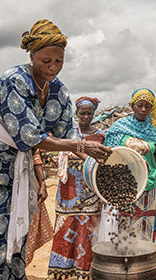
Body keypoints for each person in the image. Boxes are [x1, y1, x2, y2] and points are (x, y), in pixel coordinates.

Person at [0, 19, 111, 280]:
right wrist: (80, 146)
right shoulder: (14, 80)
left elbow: (68, 133)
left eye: (58, 61)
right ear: (32, 56)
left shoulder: (58, 89)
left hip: (14, 168)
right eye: (46, 60)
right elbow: (31, 137)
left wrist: (98, 162)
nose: (53, 67)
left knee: (13, 230)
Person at [48, 96, 104, 280]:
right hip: (68, 191)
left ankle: (84, 271)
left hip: (91, 190)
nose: (86, 116)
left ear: (94, 114)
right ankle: (62, 271)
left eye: (89, 113)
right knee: (66, 226)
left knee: (88, 230)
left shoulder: (101, 136)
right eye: (82, 113)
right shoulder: (68, 132)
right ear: (77, 113)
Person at [101, 88, 156, 243]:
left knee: (148, 227)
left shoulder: (153, 132)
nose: (143, 109)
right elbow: (110, 157)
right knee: (125, 226)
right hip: (125, 187)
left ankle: (146, 262)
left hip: (149, 186)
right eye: (139, 105)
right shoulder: (119, 128)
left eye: (147, 106)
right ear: (132, 106)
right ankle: (125, 261)